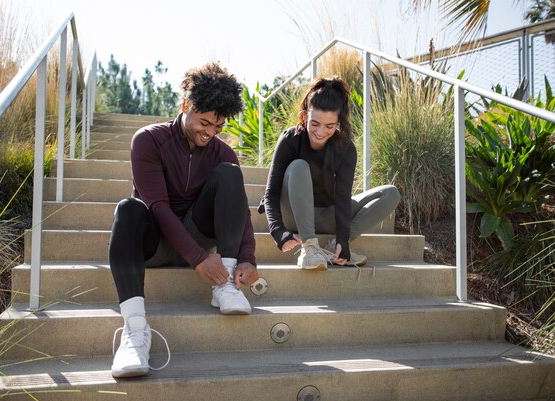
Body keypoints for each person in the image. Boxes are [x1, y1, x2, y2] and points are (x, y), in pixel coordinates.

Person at [108, 62, 259, 378]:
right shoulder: (148, 140)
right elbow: (159, 208)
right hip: (155, 244)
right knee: (128, 209)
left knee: (230, 173)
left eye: (218, 127)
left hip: (198, 233)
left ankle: (227, 285)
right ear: (185, 105)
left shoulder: (222, 153)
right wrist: (199, 259)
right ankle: (135, 332)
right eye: (204, 122)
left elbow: (241, 211)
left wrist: (247, 257)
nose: (210, 133)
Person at [261, 77, 400, 270]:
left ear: (338, 123)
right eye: (315, 123)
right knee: (299, 166)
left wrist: (343, 239)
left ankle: (334, 247)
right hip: (292, 214)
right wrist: (277, 230)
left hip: (327, 216)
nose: (320, 132)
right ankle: (310, 249)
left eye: (329, 126)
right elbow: (271, 193)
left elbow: (343, 197)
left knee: (390, 193)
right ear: (304, 117)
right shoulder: (290, 139)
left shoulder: (345, 148)